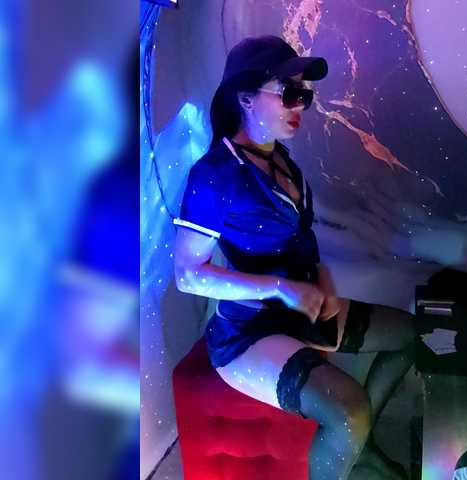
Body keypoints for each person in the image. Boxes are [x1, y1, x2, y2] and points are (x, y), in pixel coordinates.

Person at [173, 35, 420, 480]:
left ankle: (362, 450)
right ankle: (356, 437)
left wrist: (319, 279)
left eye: (304, 94)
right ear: (245, 98)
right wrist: (279, 287)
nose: (301, 105)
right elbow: (188, 276)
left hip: (302, 309)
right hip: (248, 333)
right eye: (289, 92)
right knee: (349, 412)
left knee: (410, 335)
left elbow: (296, 239)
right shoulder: (214, 175)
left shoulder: (281, 159)